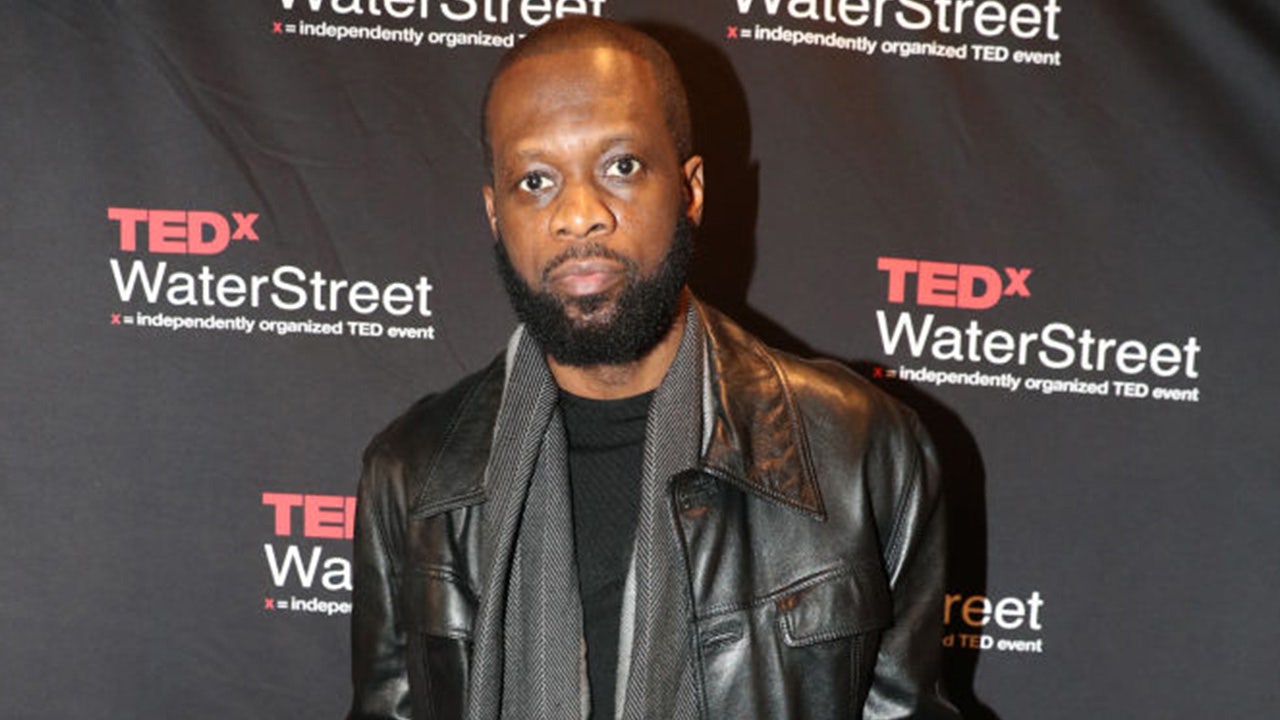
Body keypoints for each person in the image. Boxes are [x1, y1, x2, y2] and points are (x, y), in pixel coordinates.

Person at [348, 16, 957, 720]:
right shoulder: (412, 473)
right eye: (536, 180)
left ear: (690, 190)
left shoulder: (858, 448)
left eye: (621, 167)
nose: (580, 215)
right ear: (495, 215)